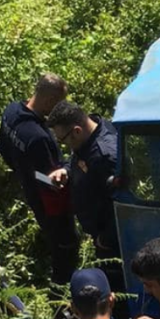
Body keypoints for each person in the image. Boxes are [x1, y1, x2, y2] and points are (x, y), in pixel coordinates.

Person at [0, 74, 79, 285]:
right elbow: (53, 181)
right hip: (49, 203)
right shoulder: (38, 138)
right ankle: (61, 288)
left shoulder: (12, 111)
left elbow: (2, 146)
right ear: (50, 100)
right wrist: (70, 167)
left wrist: (23, 170)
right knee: (65, 245)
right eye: (59, 103)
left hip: (29, 187)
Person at [46, 100, 124, 300]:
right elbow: (77, 159)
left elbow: (120, 204)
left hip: (111, 243)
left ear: (77, 131)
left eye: (64, 140)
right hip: (100, 235)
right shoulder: (88, 136)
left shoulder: (106, 156)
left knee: (117, 291)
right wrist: (66, 170)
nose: (65, 145)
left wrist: (106, 238)